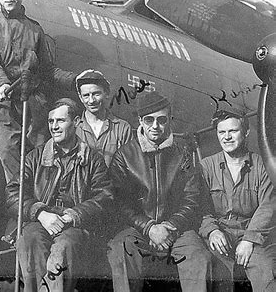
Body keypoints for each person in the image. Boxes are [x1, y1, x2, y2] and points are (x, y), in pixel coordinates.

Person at [0, 0, 77, 183]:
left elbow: (47, 70)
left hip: (32, 103)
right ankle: (23, 205)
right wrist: (1, 84)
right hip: (0, 102)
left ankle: (34, 209)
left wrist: (76, 80)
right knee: (7, 149)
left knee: (38, 156)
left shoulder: (35, 30)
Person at [5, 98, 113, 292]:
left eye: (60, 121)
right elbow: (13, 192)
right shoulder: (35, 157)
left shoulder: (93, 159)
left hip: (74, 225)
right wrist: (40, 214)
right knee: (29, 239)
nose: (54, 127)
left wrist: (73, 215)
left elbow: (104, 197)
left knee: (64, 246)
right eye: (51, 121)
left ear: (77, 122)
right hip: (41, 221)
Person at [107, 91, 212, 292]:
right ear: (140, 121)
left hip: (176, 230)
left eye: (161, 120)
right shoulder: (124, 156)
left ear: (169, 121)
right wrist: (149, 227)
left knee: (199, 256)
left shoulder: (183, 156)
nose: (155, 126)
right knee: (121, 251)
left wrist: (170, 226)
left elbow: (192, 198)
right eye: (149, 120)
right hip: (137, 230)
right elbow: (120, 202)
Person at [199, 109, 275, 292]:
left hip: (252, 233)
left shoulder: (263, 165)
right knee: (215, 273)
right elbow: (200, 207)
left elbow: (268, 206)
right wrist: (212, 231)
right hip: (220, 233)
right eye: (221, 132)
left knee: (265, 270)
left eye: (233, 131)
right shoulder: (206, 166)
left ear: (246, 132)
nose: (227, 137)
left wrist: (249, 240)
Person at [75, 69, 132, 167]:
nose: (91, 100)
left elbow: (130, 164)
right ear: (80, 97)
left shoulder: (122, 128)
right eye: (86, 96)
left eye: (96, 94)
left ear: (106, 93)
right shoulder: (74, 128)